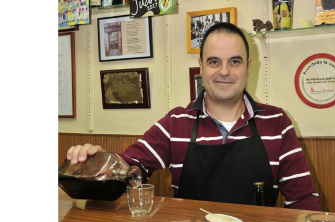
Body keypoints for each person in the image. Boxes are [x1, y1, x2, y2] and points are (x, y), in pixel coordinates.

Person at [67, 23, 321, 211]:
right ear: (201, 65)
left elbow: (303, 202)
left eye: (234, 61)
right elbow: (129, 170)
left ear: (248, 67)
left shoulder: (277, 122)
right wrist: (97, 164)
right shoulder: (176, 123)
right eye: (214, 62)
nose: (224, 71)